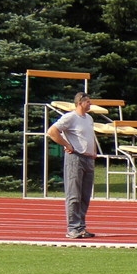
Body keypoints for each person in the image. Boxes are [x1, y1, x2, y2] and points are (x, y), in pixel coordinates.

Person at [45, 92, 98, 239]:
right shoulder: (70, 117)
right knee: (74, 194)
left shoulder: (89, 118)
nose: (90, 104)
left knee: (85, 195)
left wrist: (93, 151)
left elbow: (90, 136)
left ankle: (81, 227)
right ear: (80, 102)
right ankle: (73, 228)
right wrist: (67, 145)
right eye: (88, 102)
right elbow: (52, 131)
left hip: (88, 158)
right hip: (75, 157)